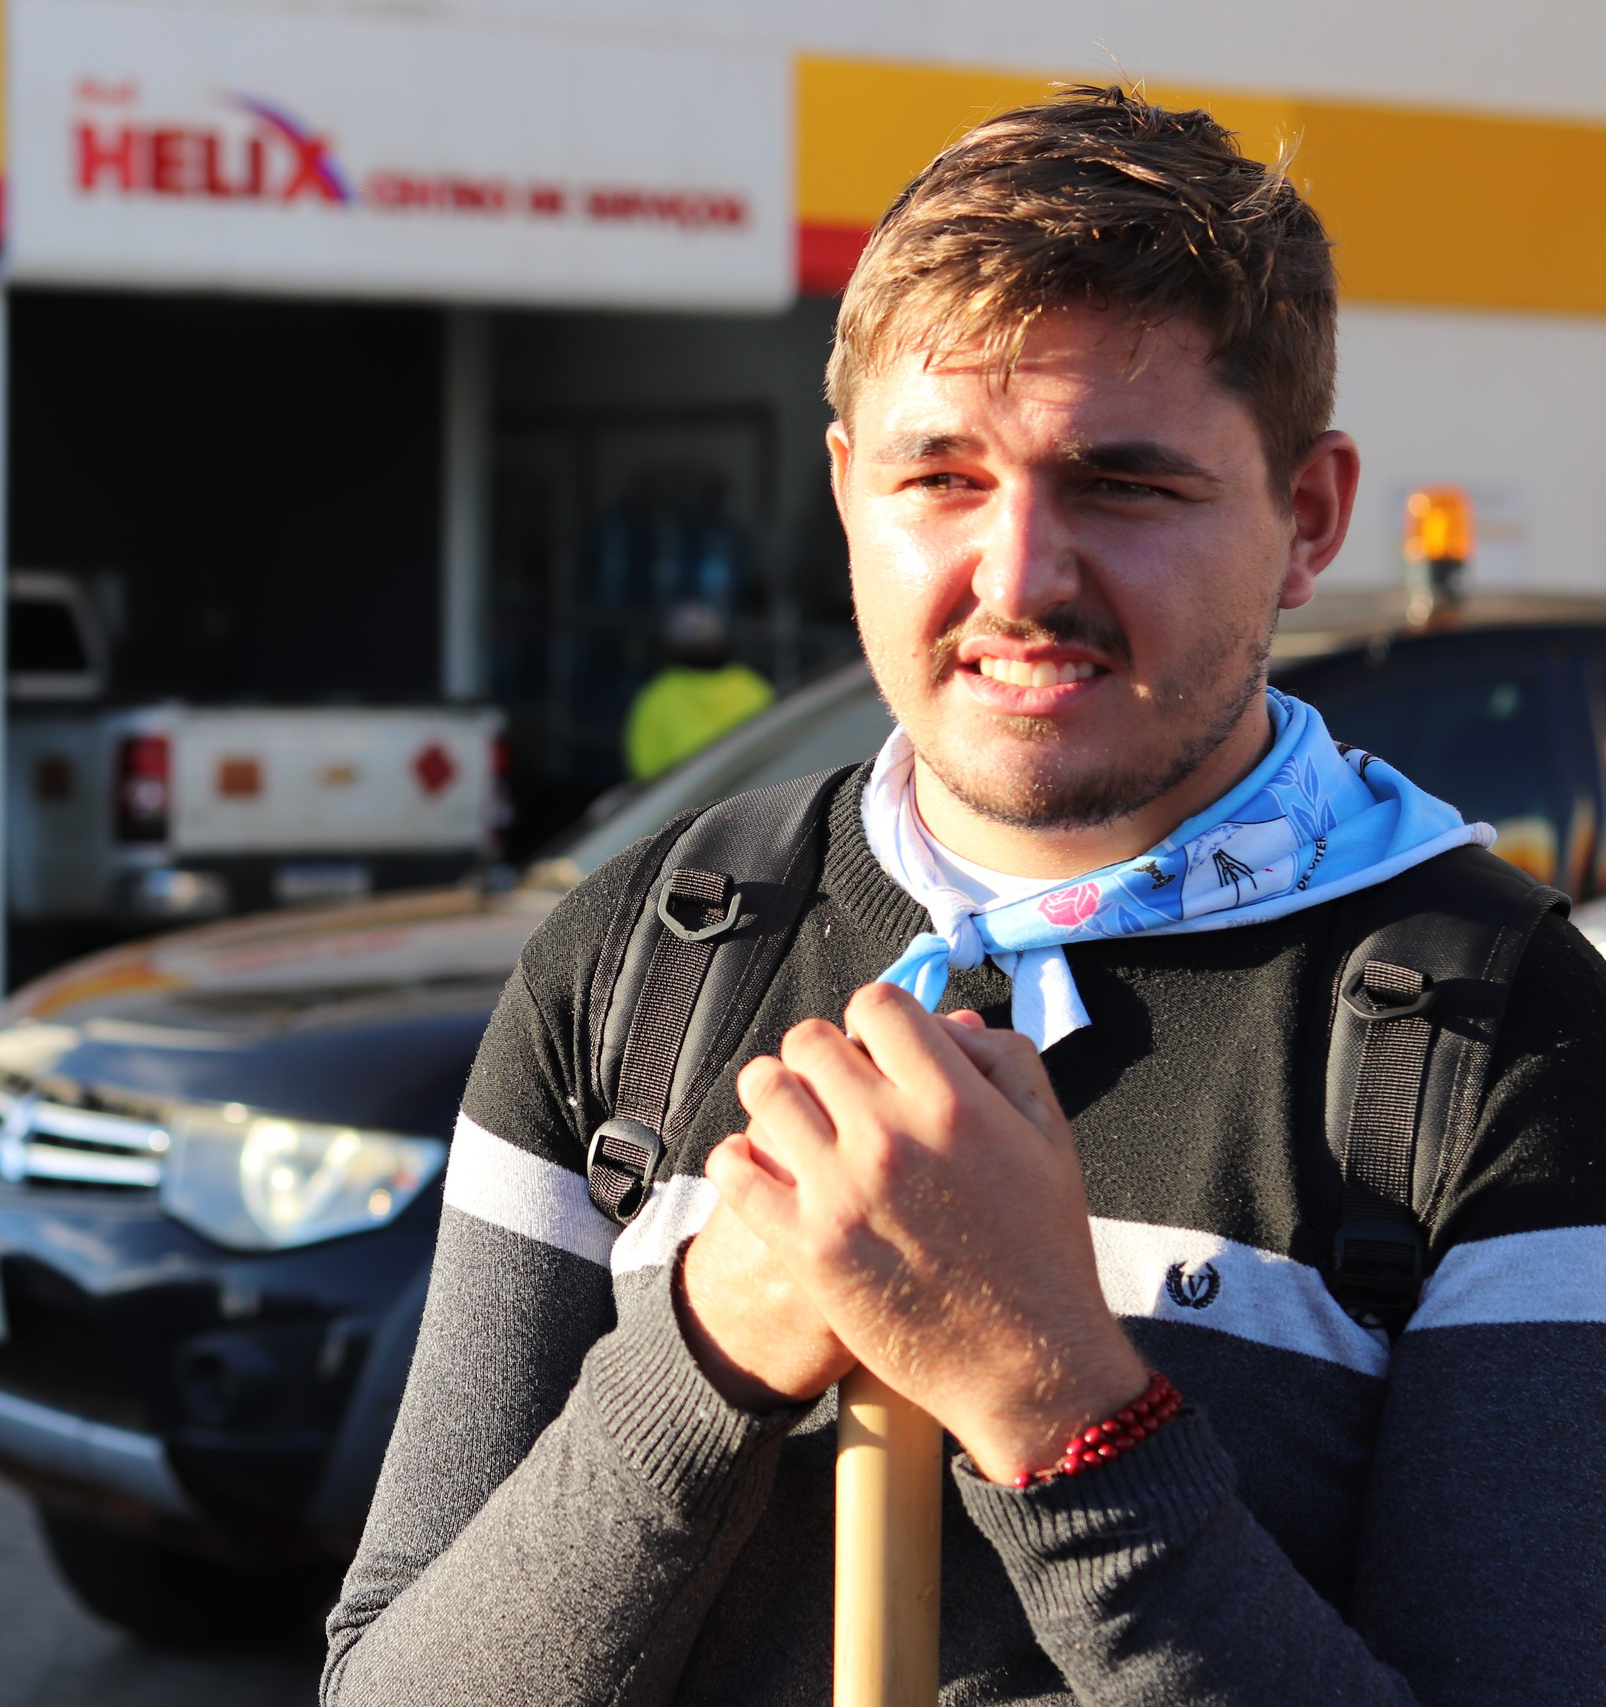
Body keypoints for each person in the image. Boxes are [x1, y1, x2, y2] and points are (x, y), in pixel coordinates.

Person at [324, 87, 1606, 1703]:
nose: (1017, 579)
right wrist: (708, 1347)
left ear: (1310, 518)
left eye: (1123, 484)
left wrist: (1061, 1409)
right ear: (848, 487)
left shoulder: (1511, 1043)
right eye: (941, 476)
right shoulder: (641, 957)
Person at [622, 602, 773, 780]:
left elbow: (644, 770)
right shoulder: (753, 688)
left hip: (681, 801)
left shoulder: (656, 696)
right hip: (749, 798)